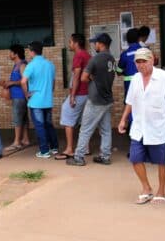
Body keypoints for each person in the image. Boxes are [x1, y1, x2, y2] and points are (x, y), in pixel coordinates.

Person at [118, 48, 165, 205]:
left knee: (162, 160)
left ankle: (161, 191)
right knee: (135, 158)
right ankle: (146, 188)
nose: (141, 65)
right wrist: (123, 119)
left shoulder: (164, 78)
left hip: (160, 127)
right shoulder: (135, 79)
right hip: (139, 127)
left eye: (144, 61)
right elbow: (130, 101)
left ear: (152, 60)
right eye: (138, 62)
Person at [67, 33, 115, 166]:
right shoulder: (111, 58)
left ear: (101, 44)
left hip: (95, 99)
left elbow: (83, 78)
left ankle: (79, 157)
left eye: (96, 43)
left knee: (85, 129)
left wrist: (92, 78)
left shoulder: (95, 59)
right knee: (106, 130)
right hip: (107, 98)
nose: (94, 45)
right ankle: (105, 156)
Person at [21, 41, 59, 158]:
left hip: (36, 101)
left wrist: (27, 94)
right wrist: (48, 92)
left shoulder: (31, 65)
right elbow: (53, 83)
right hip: (47, 100)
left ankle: (44, 151)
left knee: (39, 126)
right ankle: (54, 147)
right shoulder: (50, 64)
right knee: (48, 124)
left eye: (29, 51)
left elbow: (23, 81)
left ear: (32, 51)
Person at [56, 34, 90, 160]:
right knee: (83, 121)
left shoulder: (79, 55)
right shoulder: (87, 55)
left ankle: (69, 149)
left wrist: (72, 96)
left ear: (76, 43)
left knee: (67, 117)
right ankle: (85, 148)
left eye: (70, 42)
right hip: (87, 93)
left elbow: (76, 76)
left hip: (79, 93)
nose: (69, 44)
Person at [1, 44, 31, 152]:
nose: (9, 54)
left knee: (17, 119)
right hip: (18, 96)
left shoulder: (22, 65)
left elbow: (24, 80)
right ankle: (25, 139)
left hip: (20, 96)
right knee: (23, 119)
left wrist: (11, 83)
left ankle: (17, 142)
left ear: (16, 53)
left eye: (10, 52)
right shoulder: (17, 65)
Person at [116, 28, 141, 149]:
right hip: (145, 88)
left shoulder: (125, 54)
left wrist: (125, 71)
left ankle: (135, 147)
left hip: (130, 89)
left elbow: (118, 71)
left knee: (131, 114)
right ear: (138, 38)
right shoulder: (145, 51)